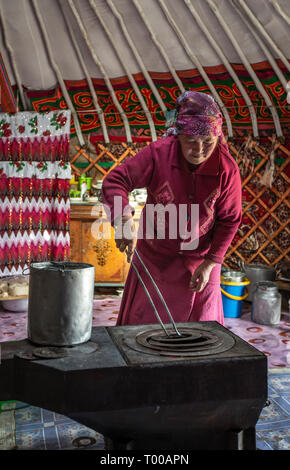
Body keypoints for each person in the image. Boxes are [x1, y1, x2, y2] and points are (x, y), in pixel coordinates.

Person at [101, 91, 242, 327]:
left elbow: (230, 219)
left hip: (201, 263)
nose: (199, 150)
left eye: (208, 142)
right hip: (155, 261)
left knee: (201, 334)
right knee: (143, 333)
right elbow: (116, 181)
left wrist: (210, 263)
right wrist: (122, 220)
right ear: (178, 136)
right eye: (191, 141)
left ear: (218, 137)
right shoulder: (158, 154)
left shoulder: (226, 169)